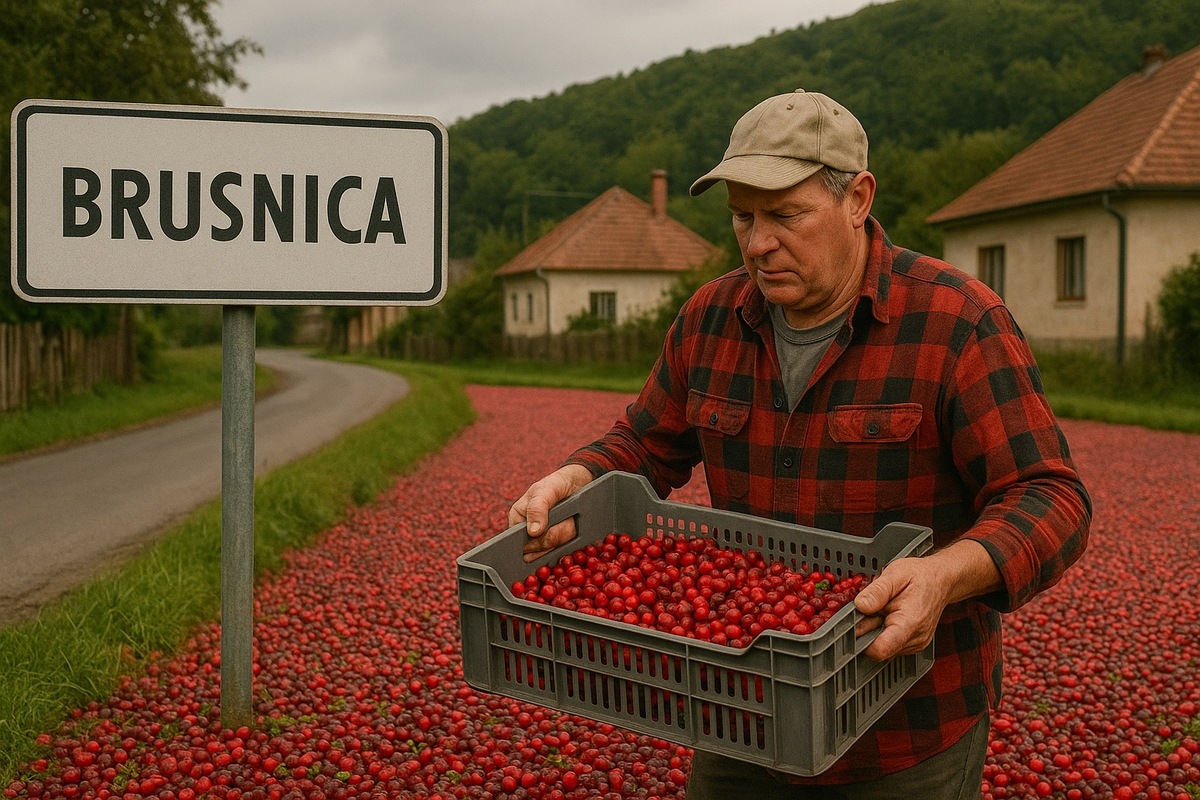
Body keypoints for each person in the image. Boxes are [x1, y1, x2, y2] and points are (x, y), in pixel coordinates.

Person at [507, 89, 1092, 798]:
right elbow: (646, 442)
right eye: (742, 218)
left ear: (858, 199)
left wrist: (943, 574)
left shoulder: (955, 321)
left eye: (785, 215)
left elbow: (1051, 496)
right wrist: (577, 476)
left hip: (906, 729)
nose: (757, 242)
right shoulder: (710, 318)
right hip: (741, 710)